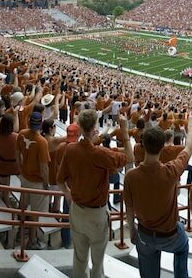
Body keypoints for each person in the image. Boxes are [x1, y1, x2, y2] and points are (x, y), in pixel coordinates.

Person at [58, 109, 135, 278]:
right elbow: (130, 157)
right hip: (97, 215)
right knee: (98, 261)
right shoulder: (100, 154)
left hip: (77, 210)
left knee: (79, 258)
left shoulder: (70, 149)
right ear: (94, 129)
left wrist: (68, 194)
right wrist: (125, 131)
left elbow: (60, 179)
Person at [123, 120, 192, 278]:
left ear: (142, 145)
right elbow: (189, 148)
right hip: (170, 236)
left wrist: (132, 231)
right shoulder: (170, 171)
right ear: (163, 147)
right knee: (183, 246)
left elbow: (129, 207)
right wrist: (191, 128)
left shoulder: (130, 176)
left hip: (144, 234)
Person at [16, 111, 51, 250]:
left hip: (24, 176)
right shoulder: (42, 142)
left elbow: (17, 153)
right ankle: (32, 240)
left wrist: (20, 169)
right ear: (41, 124)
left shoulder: (22, 133)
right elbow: (44, 168)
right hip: (36, 182)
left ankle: (20, 232)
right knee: (35, 213)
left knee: (23, 205)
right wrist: (47, 183)